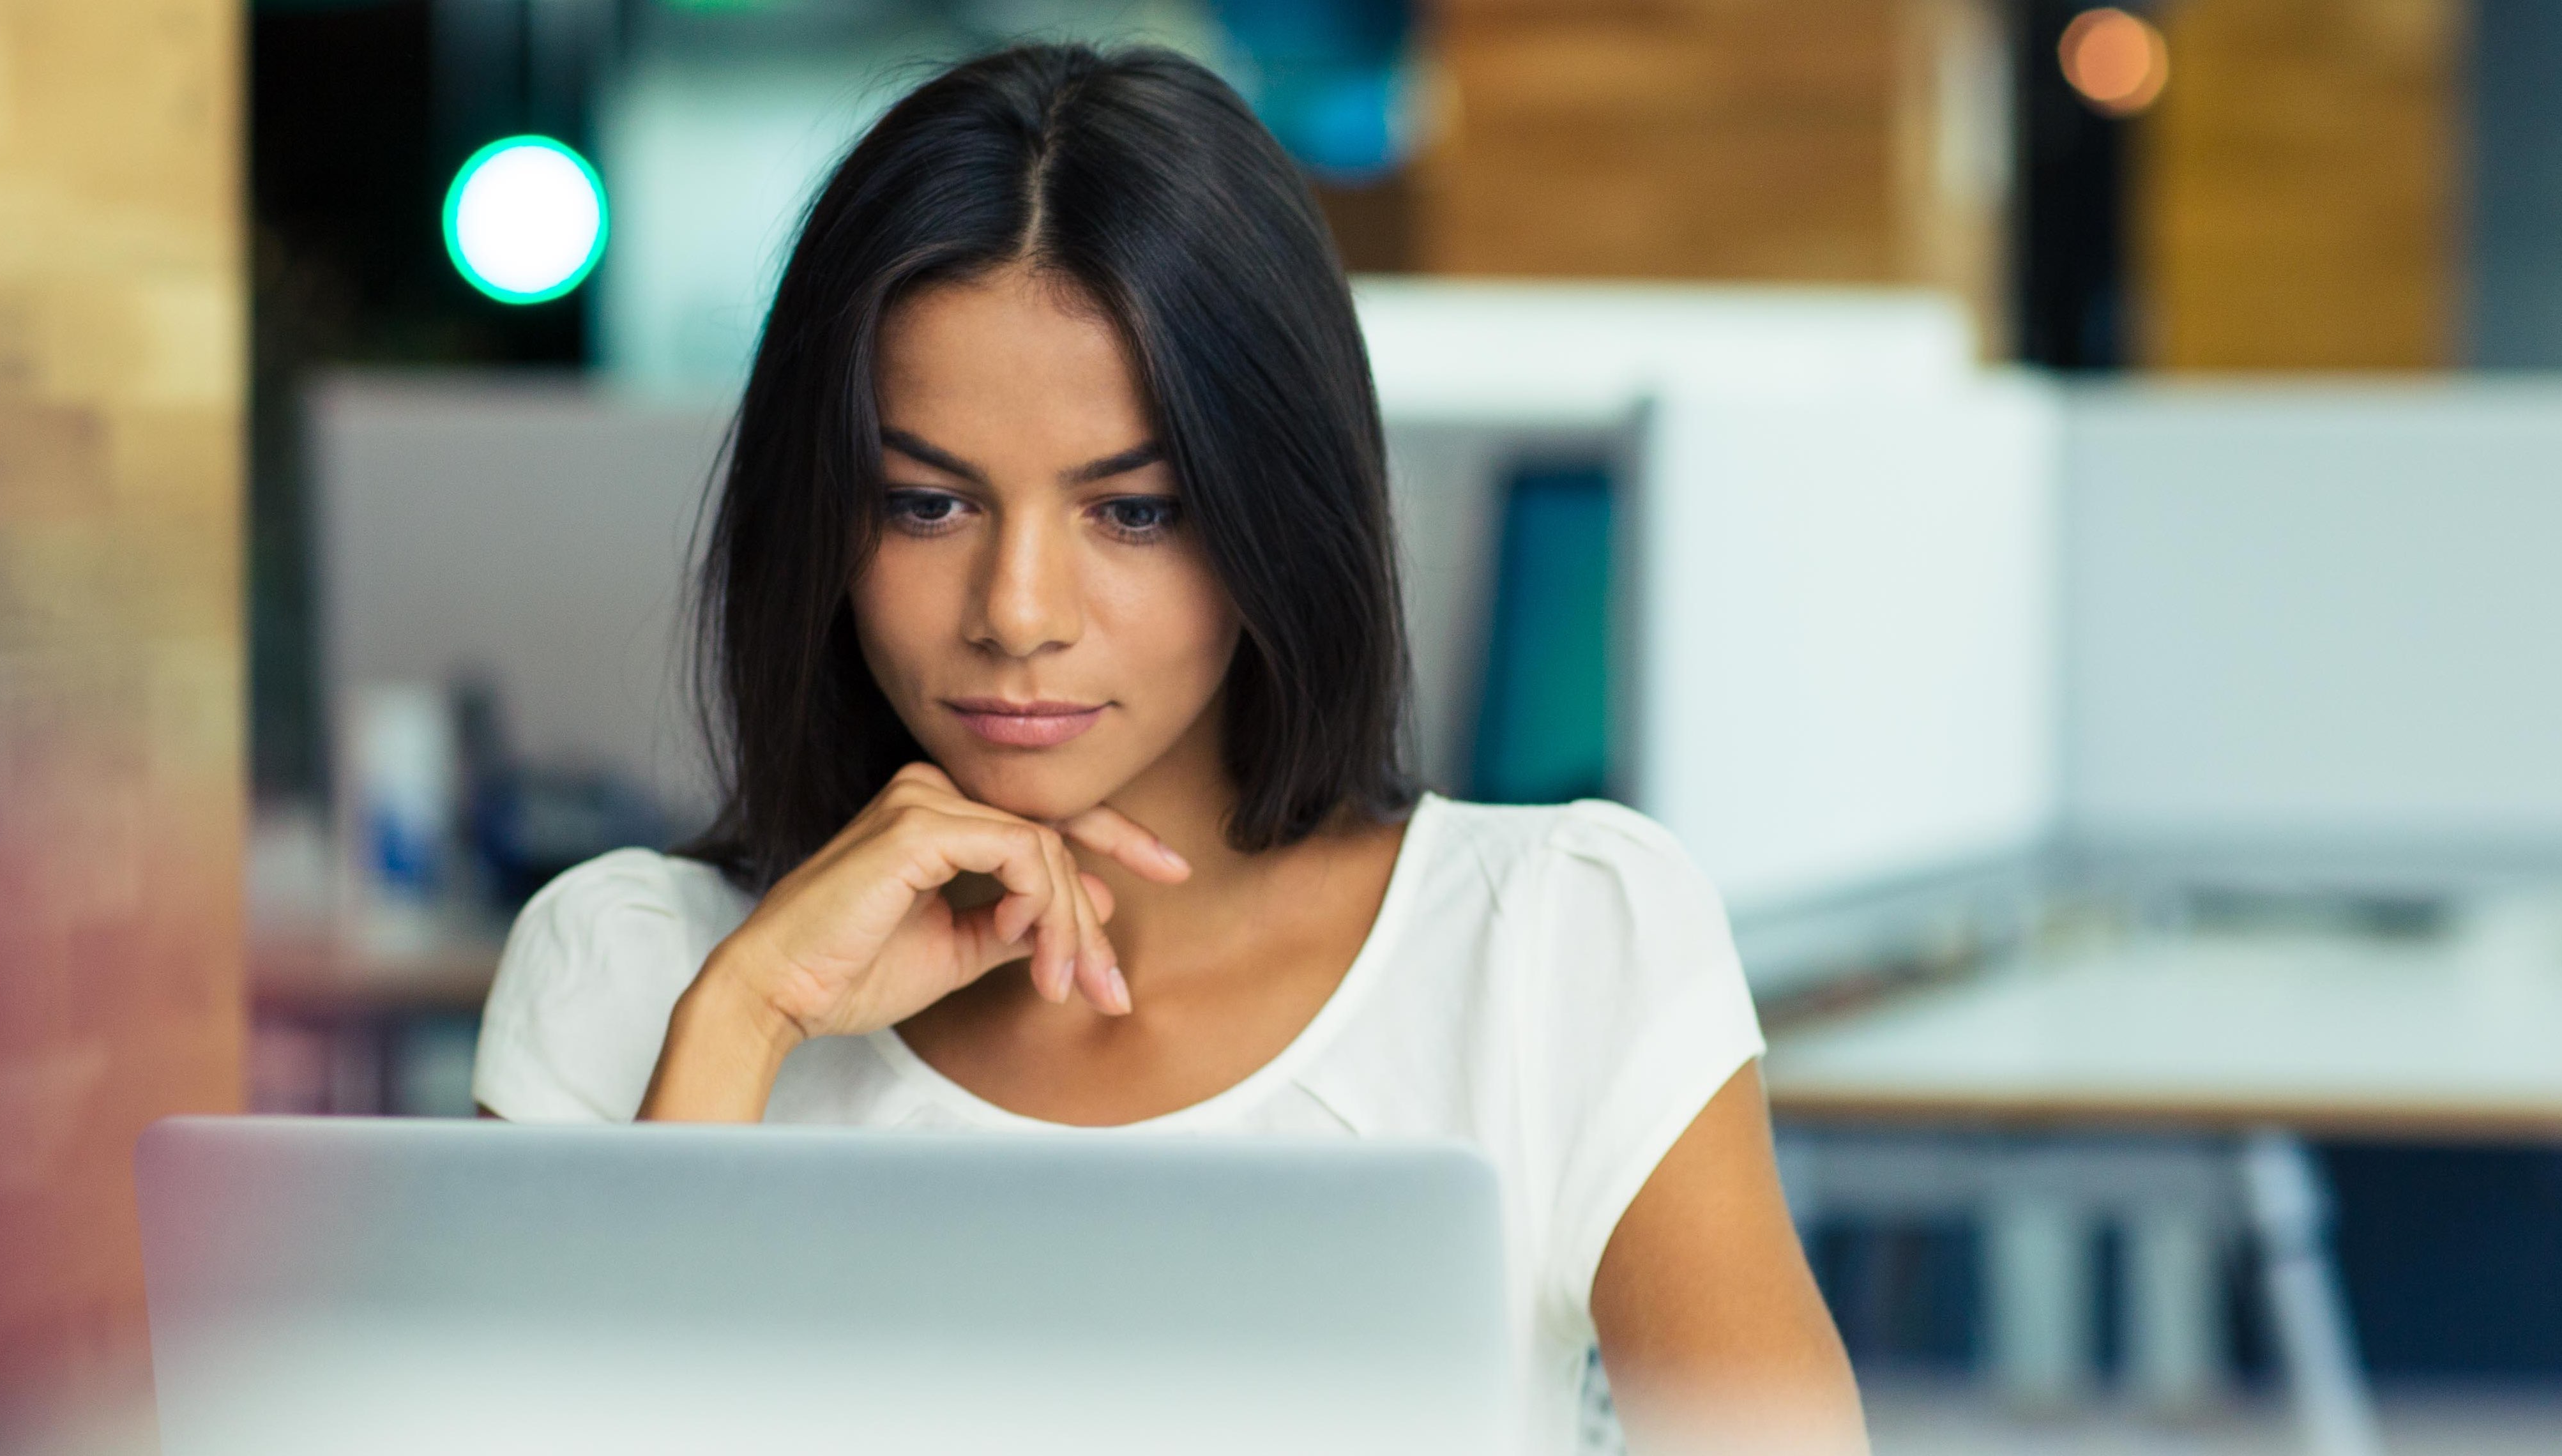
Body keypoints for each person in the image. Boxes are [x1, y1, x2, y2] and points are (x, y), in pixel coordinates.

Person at [470, 42, 1863, 1456]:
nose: (1017, 616)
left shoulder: (1557, 948)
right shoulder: (633, 976)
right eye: (925, 505)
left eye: (1132, 512)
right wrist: (744, 1026)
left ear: (1276, 515)